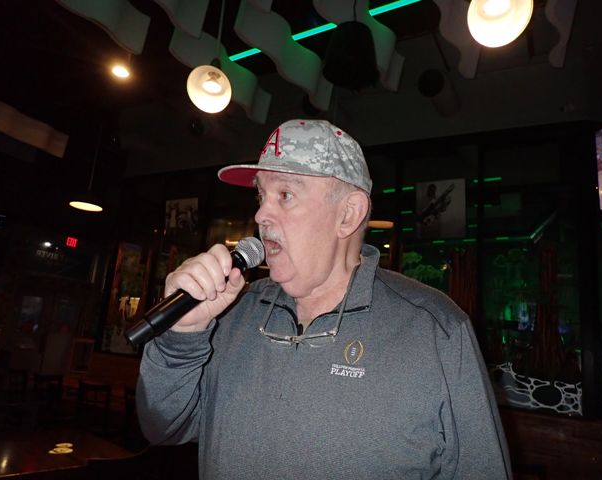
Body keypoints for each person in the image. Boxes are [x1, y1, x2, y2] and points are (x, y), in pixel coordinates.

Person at [136, 119, 512, 479]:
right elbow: (164, 429)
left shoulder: (436, 330)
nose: (261, 214)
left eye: (285, 195)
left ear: (348, 214)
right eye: (261, 196)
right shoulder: (229, 313)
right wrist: (182, 337)